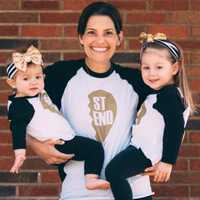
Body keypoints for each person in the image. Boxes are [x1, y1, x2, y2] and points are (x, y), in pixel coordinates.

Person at [27, 2, 160, 200]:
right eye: (91, 32)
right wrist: (34, 144)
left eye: (108, 32)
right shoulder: (58, 76)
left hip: (134, 191)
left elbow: (173, 111)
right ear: (81, 37)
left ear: (119, 37)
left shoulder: (138, 80)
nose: (100, 40)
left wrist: (164, 157)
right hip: (80, 193)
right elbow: (21, 107)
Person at [104, 32, 195, 200]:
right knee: (115, 172)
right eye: (146, 67)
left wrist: (168, 161)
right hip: (142, 149)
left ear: (174, 68)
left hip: (146, 151)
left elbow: (175, 128)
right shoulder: (160, 93)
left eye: (159, 67)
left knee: (113, 172)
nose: (151, 73)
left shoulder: (169, 95)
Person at [6, 45, 110, 190]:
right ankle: (91, 179)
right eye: (25, 78)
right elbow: (17, 129)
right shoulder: (20, 106)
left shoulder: (37, 93)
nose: (34, 82)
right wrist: (20, 154)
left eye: (38, 77)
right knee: (94, 148)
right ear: (12, 83)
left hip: (63, 139)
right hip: (59, 143)